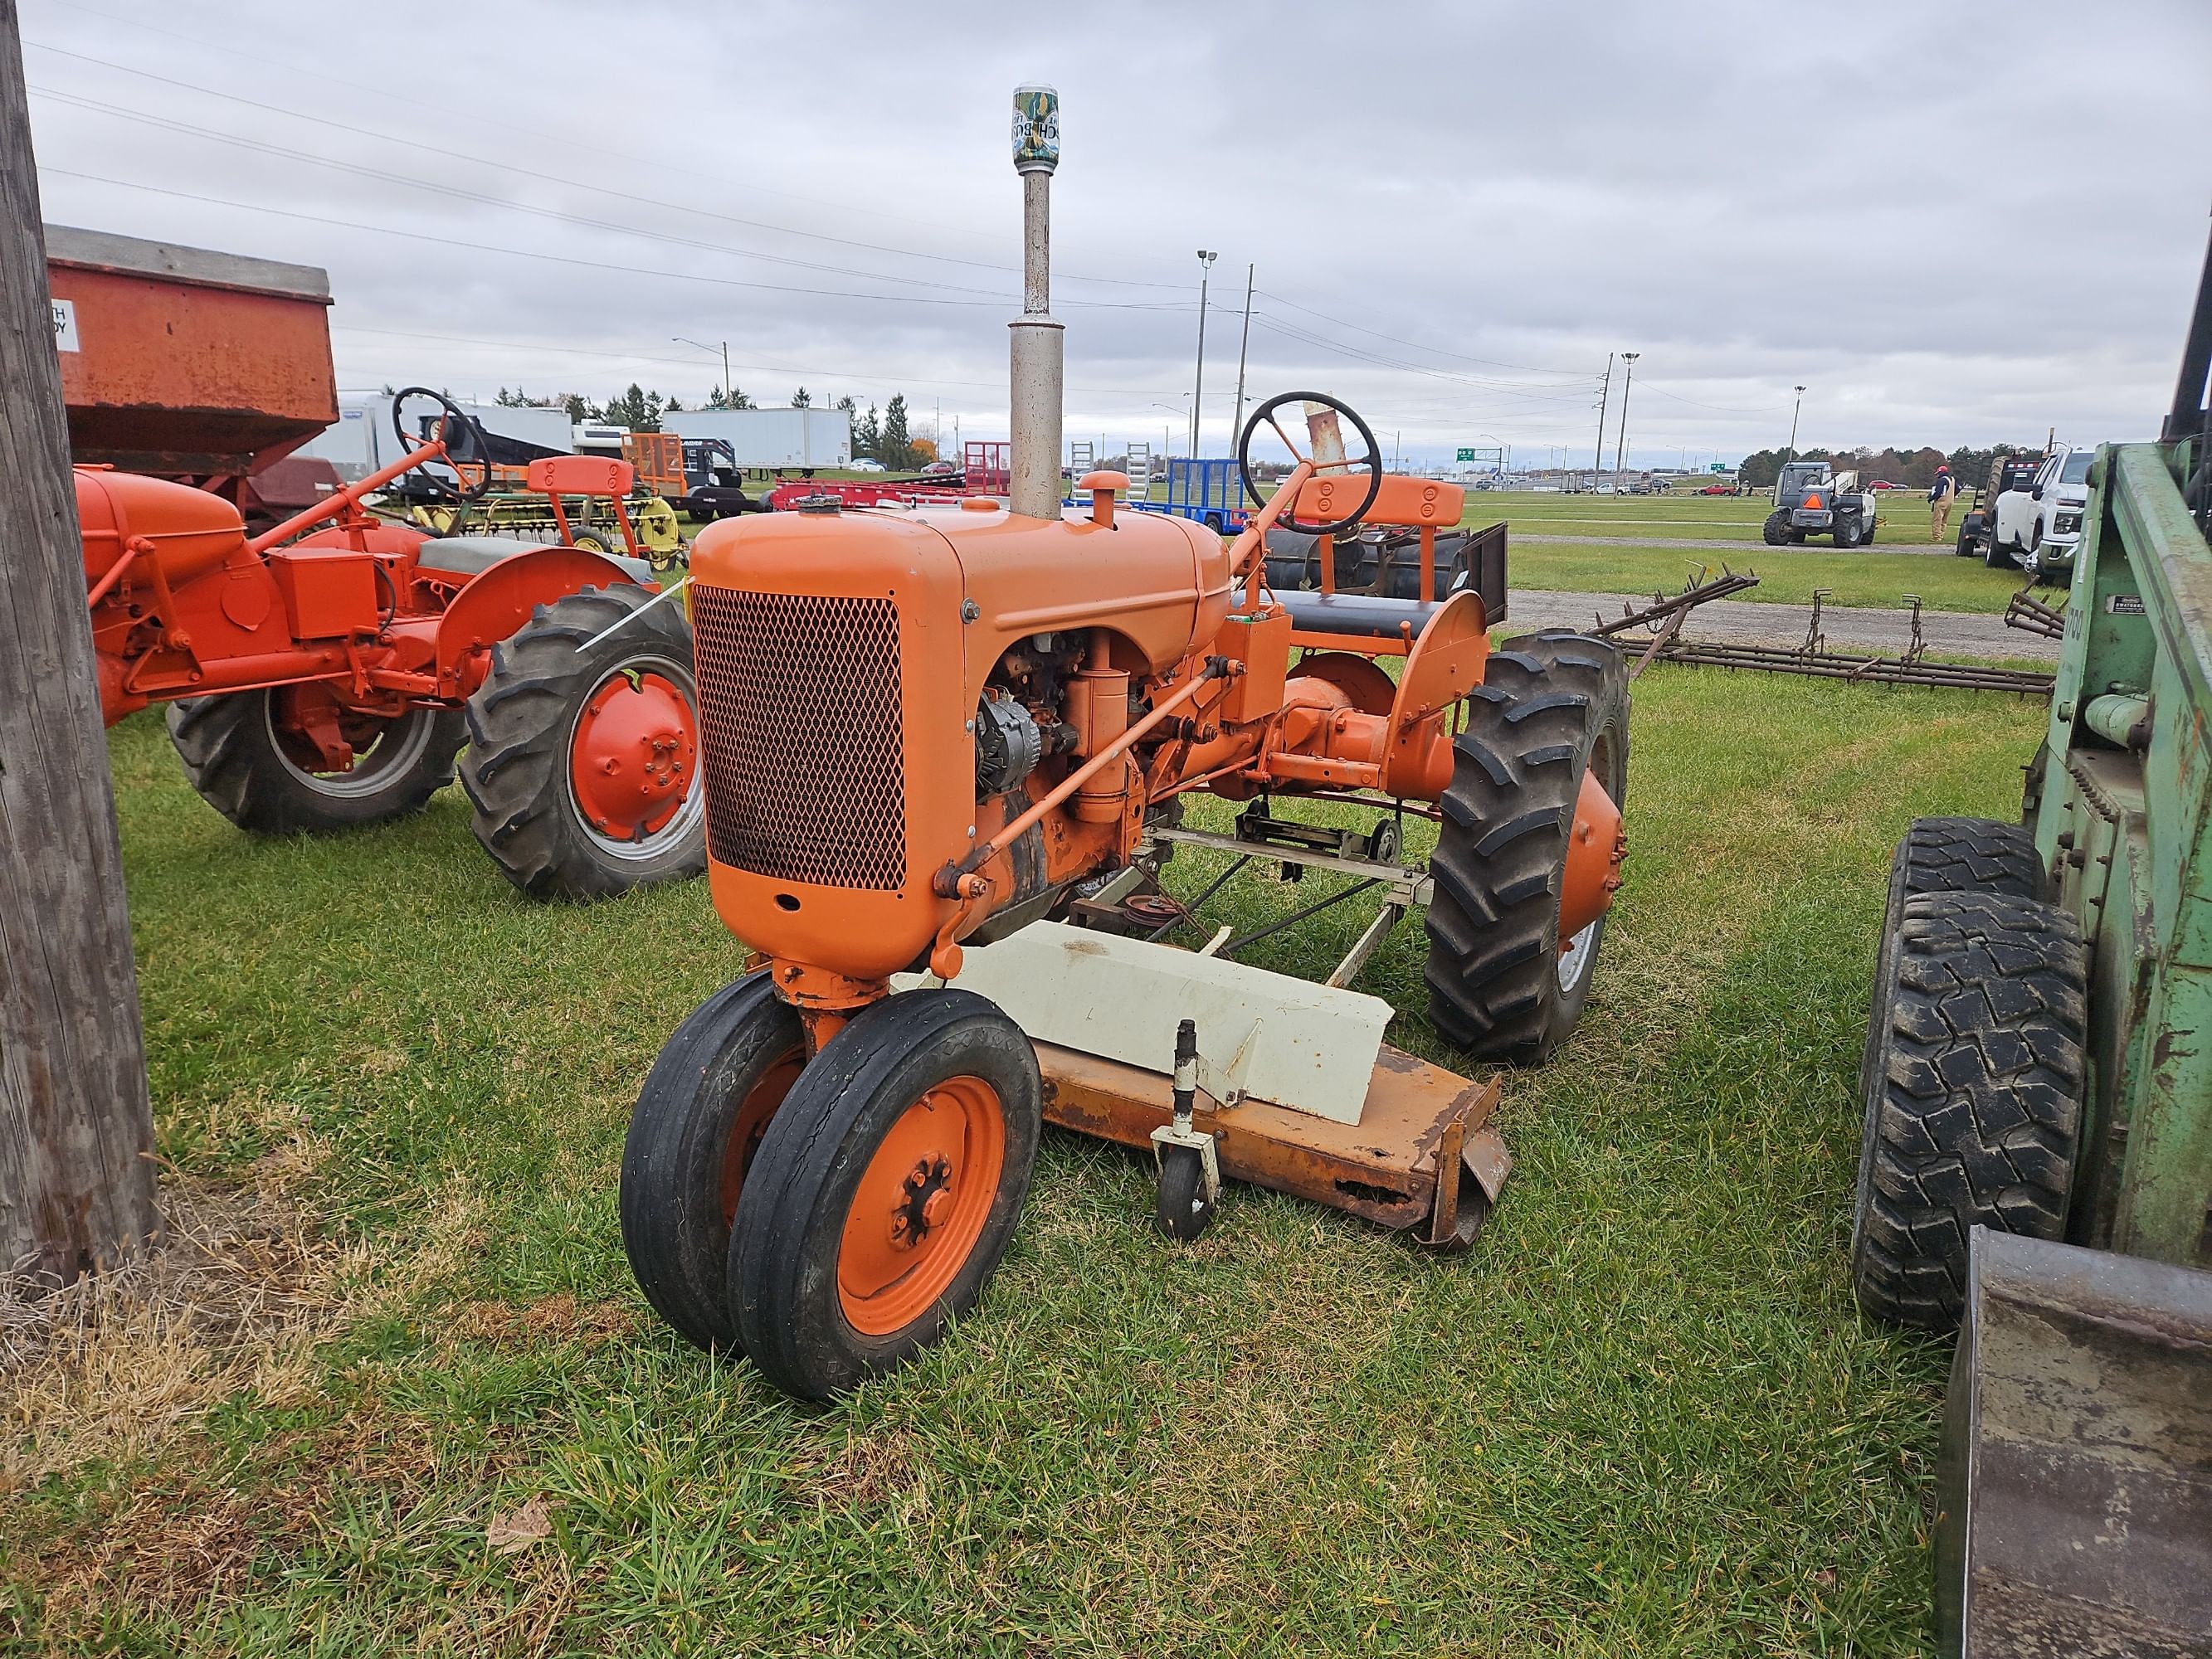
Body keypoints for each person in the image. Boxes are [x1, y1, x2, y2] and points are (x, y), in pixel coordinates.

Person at [1928, 465, 1958, 542]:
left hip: (1941, 502)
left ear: (1941, 473)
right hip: (1950, 502)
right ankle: (1941, 534)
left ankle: (1937, 537)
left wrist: (1931, 498)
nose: (1938, 475)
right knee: (1944, 520)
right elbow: (1957, 489)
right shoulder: (1952, 479)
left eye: (1939, 473)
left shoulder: (1941, 480)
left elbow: (1938, 492)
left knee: (1937, 520)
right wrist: (1952, 496)